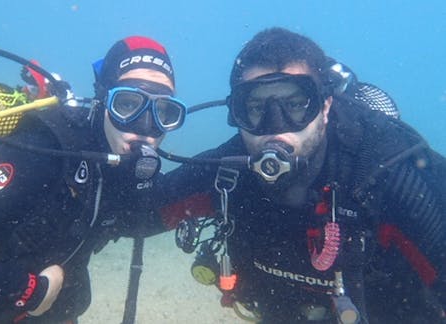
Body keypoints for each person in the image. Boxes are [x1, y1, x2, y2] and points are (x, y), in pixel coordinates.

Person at [153, 28, 446, 323]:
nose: (275, 127)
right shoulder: (228, 172)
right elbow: (134, 211)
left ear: (326, 106)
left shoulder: (388, 174)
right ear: (237, 114)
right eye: (255, 107)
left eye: (294, 105)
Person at [0, 35, 186, 323]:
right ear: (103, 100)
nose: (146, 127)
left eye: (164, 112)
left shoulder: (120, 173)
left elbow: (151, 209)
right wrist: (25, 290)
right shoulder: (43, 152)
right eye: (127, 104)